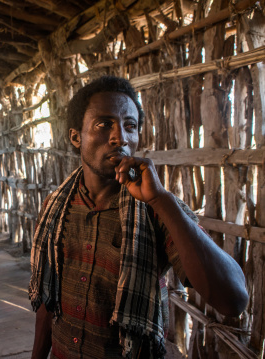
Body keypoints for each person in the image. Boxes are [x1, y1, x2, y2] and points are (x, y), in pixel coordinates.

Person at [28, 75, 248, 359]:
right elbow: (49, 297)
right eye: (104, 124)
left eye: (130, 126)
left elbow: (233, 301)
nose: (120, 137)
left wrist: (161, 200)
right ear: (75, 137)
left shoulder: (157, 212)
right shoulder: (55, 208)